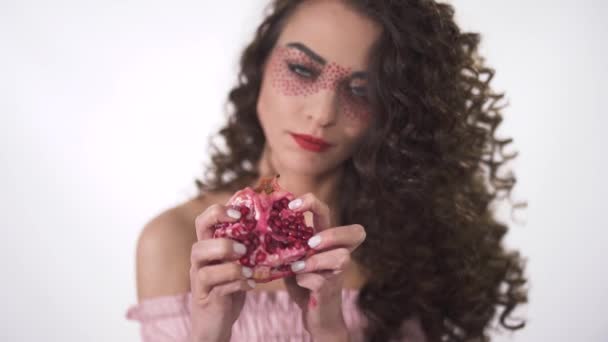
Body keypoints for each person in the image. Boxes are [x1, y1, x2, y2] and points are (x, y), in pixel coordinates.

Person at [126, 0, 528, 341]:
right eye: (302, 69)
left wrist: (331, 331)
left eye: (360, 91)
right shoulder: (173, 241)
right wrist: (208, 334)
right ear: (260, 64)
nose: (322, 113)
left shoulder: (417, 251)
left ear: (395, 112)